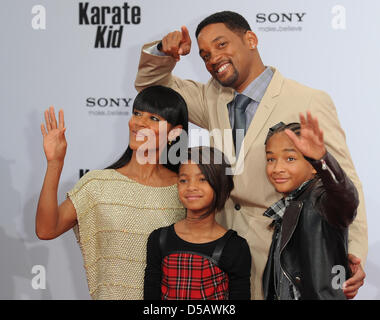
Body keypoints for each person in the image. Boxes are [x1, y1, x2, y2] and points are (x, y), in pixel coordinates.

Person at [134, 10, 367, 299]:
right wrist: (162, 52)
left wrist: (350, 252)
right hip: (220, 247)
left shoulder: (307, 100)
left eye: (222, 45)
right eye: (205, 55)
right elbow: (152, 91)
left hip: (281, 251)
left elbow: (344, 179)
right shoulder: (211, 97)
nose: (213, 59)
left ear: (251, 39)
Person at [35, 85, 189, 299]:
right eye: (137, 113)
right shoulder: (97, 184)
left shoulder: (185, 190)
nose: (139, 123)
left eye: (153, 118)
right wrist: (54, 163)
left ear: (175, 133)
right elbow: (46, 229)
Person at [262, 112, 358, 300]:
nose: (277, 168)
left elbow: (347, 199)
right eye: (271, 159)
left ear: (313, 166)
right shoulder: (289, 205)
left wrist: (322, 159)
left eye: (290, 159)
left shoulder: (320, 199)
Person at [144, 146, 251, 300]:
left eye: (202, 179)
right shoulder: (159, 239)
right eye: (183, 180)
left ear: (220, 184)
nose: (191, 187)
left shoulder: (235, 247)